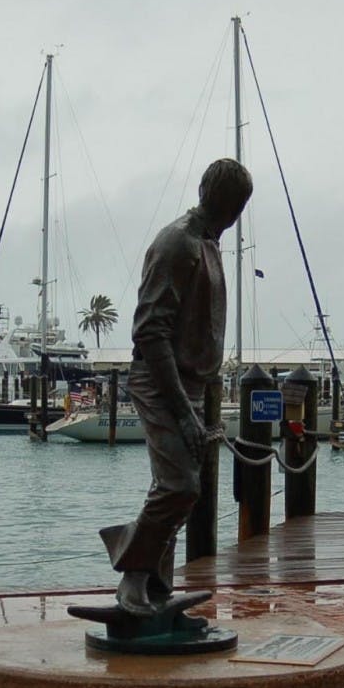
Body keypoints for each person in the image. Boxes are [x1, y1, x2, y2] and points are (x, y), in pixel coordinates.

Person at [98, 159, 253, 616]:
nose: (232, 214)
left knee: (177, 487)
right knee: (179, 486)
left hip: (193, 383)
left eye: (237, 206)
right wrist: (184, 411)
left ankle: (157, 586)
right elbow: (150, 331)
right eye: (227, 203)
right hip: (160, 379)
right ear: (206, 193)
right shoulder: (178, 243)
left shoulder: (208, 243)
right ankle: (132, 575)